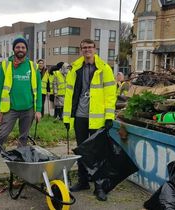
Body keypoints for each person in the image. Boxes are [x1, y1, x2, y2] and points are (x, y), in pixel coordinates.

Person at [63, 38, 117, 201]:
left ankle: (99, 186)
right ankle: (83, 181)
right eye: (84, 47)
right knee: (81, 150)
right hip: (80, 115)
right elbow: (69, 95)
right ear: (81, 50)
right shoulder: (75, 69)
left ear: (95, 49)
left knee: (97, 152)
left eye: (90, 47)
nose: (87, 50)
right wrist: (66, 117)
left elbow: (110, 95)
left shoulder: (104, 69)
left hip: (97, 118)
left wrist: (109, 116)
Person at [0, 36, 42, 176]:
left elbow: (39, 90)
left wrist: (38, 110)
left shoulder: (33, 66)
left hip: (28, 109)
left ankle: (19, 165)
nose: (20, 49)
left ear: (26, 49)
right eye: (18, 47)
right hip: (10, 109)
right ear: (14, 49)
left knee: (23, 137)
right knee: (1, 136)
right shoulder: (6, 65)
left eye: (23, 47)